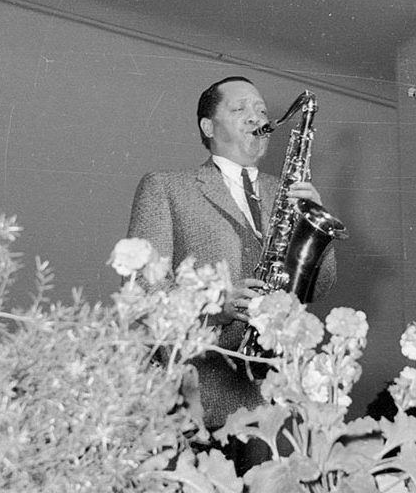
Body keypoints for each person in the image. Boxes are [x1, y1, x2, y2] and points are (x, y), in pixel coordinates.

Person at [126, 76, 336, 471]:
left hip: (275, 406)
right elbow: (140, 292)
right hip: (203, 400)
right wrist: (213, 305)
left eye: (261, 110)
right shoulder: (167, 187)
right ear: (208, 127)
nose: (257, 117)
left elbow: (318, 285)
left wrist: (311, 222)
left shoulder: (287, 192)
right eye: (240, 109)